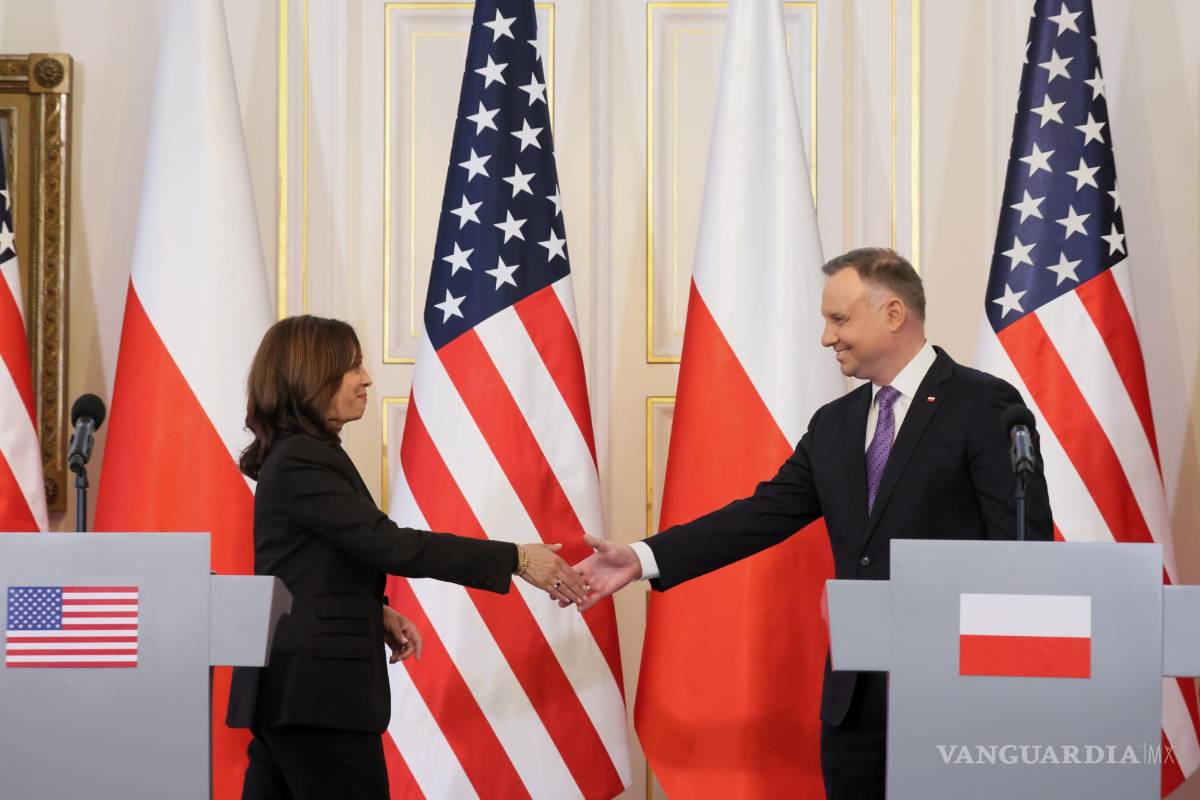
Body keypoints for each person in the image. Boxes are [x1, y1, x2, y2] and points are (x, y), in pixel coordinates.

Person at [575, 248, 1053, 800]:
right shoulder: (836, 423)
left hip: (958, 696)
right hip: (854, 707)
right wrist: (641, 557)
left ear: (893, 314)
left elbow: (1022, 546)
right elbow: (762, 515)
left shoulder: (983, 404)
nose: (827, 337)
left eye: (840, 319)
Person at [227, 315, 587, 800]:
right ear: (314, 376)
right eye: (353, 367)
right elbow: (388, 542)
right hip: (316, 696)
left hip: (296, 692)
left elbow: (306, 568)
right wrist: (517, 559)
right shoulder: (301, 458)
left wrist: (371, 611)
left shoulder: (299, 454)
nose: (367, 379)